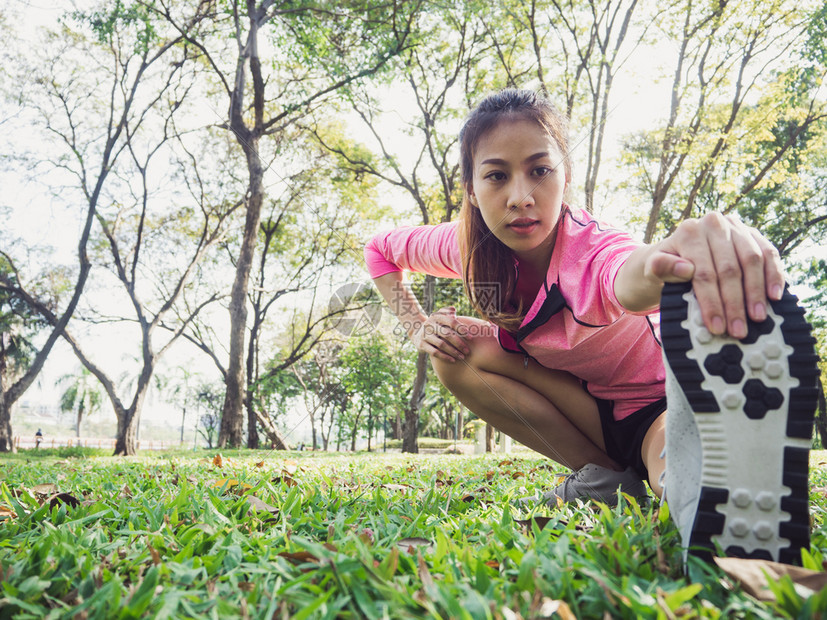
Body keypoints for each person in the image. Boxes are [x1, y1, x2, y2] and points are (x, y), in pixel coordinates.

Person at [364, 89, 819, 566]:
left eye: (540, 171)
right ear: (472, 191)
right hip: (587, 404)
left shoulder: (592, 251)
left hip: (661, 403)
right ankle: (605, 478)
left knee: (678, 469)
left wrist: (674, 259)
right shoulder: (466, 248)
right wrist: (416, 325)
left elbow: (627, 272)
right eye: (497, 176)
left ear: (565, 178)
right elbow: (380, 251)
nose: (521, 197)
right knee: (454, 346)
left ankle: (705, 488)